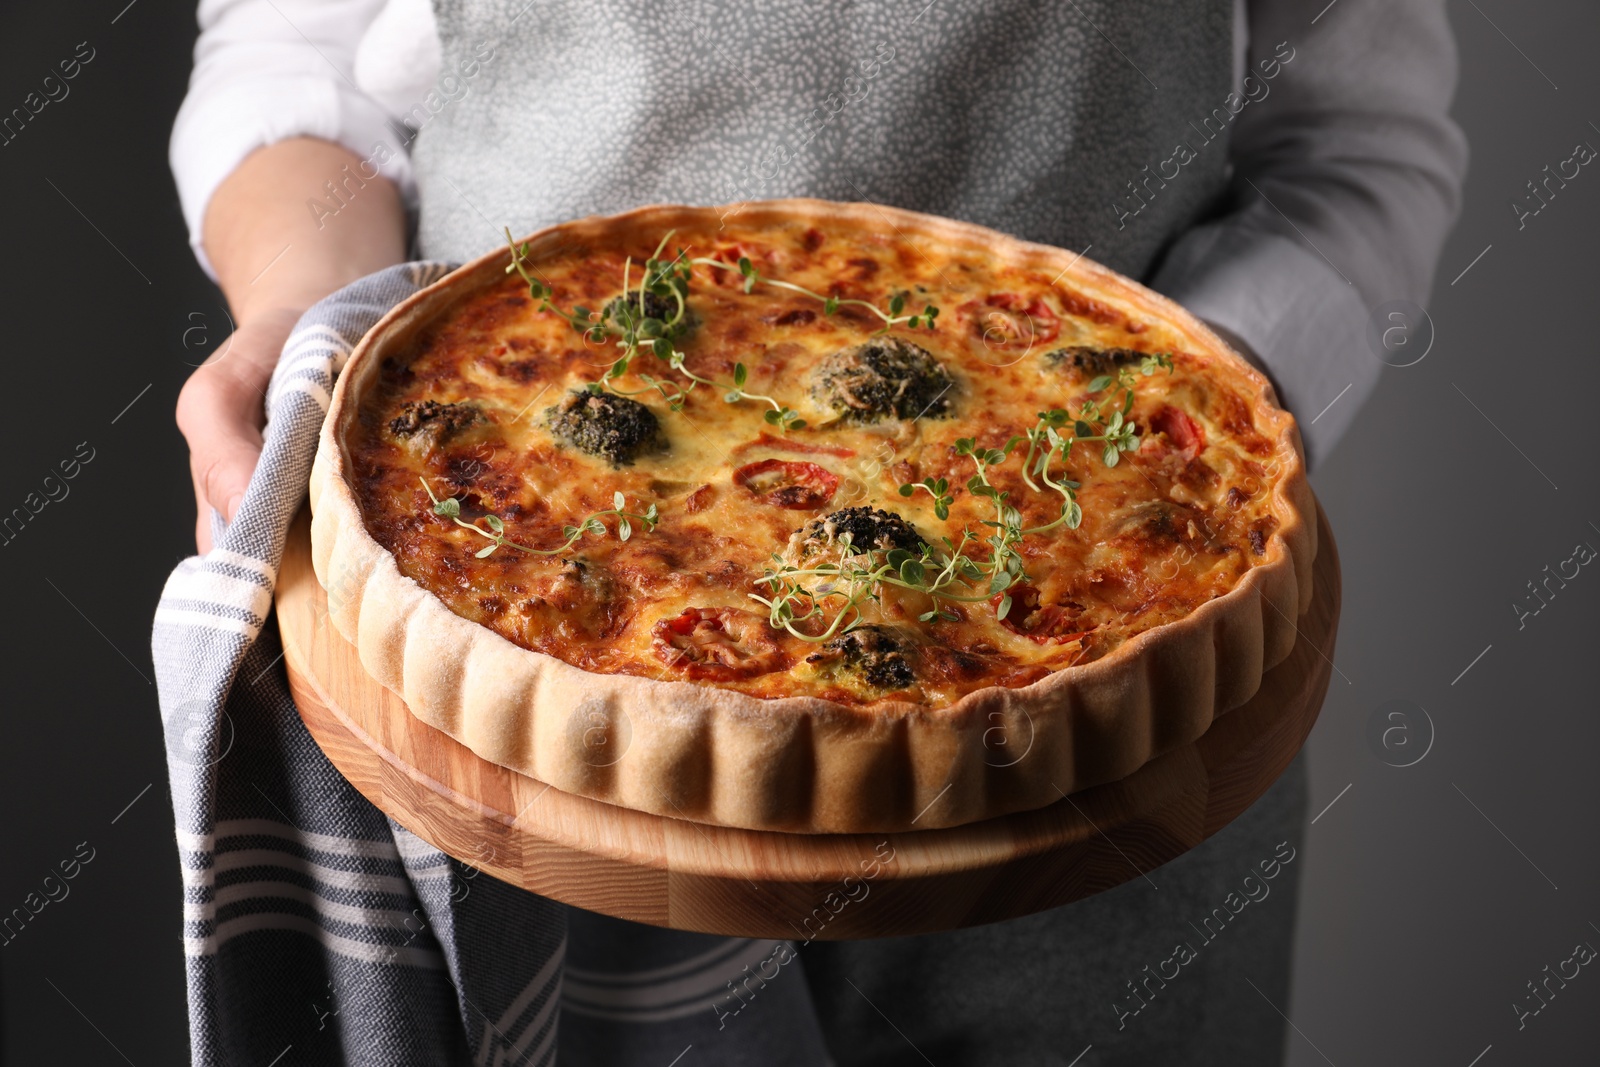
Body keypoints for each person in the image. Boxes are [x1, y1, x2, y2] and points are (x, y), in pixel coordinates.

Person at [168, 0, 1466, 1062]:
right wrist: (298, 313)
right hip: (505, 655)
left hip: (1111, 769)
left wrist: (1152, 473)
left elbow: (1357, 153)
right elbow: (299, 56)